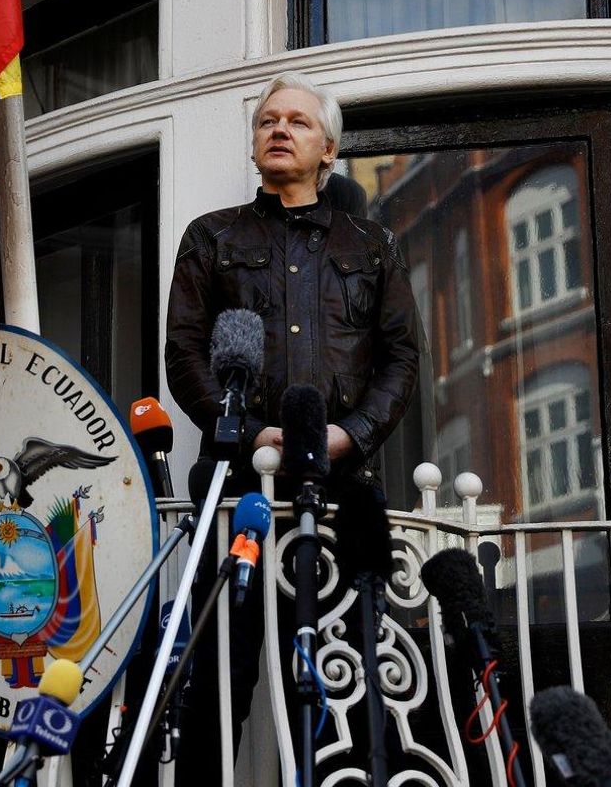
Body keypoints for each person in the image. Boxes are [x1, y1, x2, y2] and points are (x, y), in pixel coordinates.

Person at [163, 71, 420, 778]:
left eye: (298, 122)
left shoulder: (371, 244)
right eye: (268, 121)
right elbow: (184, 354)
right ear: (254, 146)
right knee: (219, 673)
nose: (279, 129)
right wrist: (248, 434)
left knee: (348, 669)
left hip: (339, 482)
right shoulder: (210, 238)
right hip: (238, 485)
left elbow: (402, 358)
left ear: (329, 150)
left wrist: (350, 434)